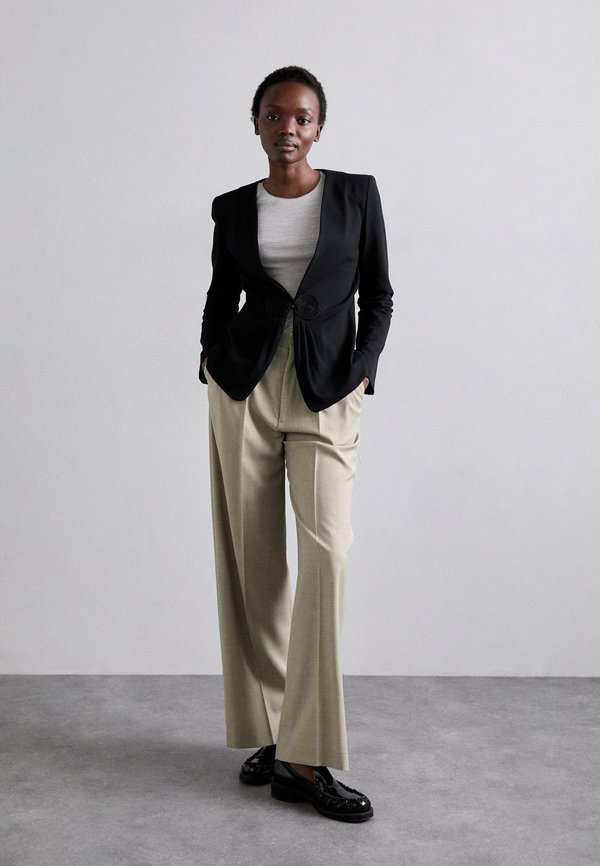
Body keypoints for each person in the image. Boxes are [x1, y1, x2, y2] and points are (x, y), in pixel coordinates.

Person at [199, 65, 393, 823]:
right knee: (255, 565)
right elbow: (222, 294)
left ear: (319, 127)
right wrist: (210, 358)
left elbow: (378, 294)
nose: (288, 128)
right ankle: (279, 736)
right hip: (245, 387)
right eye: (275, 116)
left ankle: (307, 752)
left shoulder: (356, 196)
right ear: (256, 123)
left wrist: (362, 369)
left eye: (302, 117)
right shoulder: (231, 207)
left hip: (327, 388)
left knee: (327, 554)